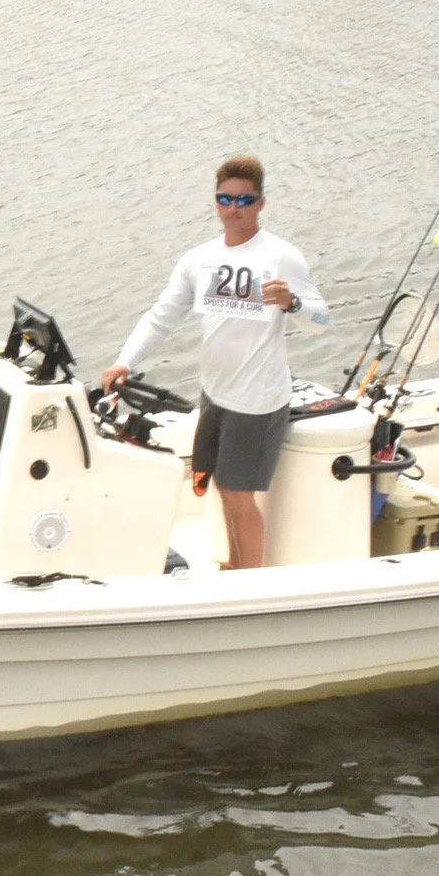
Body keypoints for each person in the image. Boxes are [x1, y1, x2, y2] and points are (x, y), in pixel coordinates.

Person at [101, 155, 330, 570]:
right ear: (215, 202)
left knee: (239, 495)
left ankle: (250, 581)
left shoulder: (282, 256)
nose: (233, 209)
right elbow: (161, 317)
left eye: (244, 200)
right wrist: (124, 363)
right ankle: (234, 565)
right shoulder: (198, 260)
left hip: (258, 400)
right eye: (225, 199)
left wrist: (293, 303)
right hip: (217, 395)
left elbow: (321, 321)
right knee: (222, 488)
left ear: (261, 203)